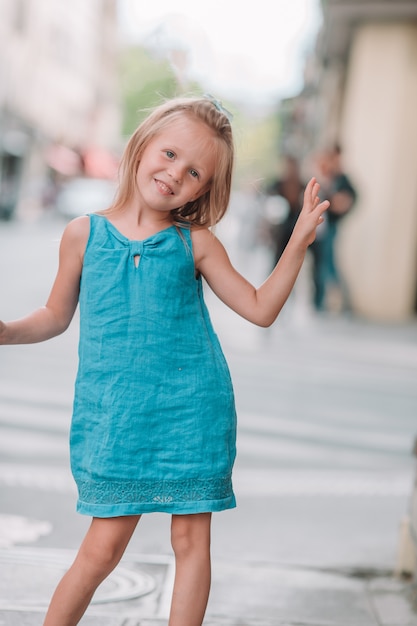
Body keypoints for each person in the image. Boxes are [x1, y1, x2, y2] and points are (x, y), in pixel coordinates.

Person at [0, 95, 329, 626]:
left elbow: (260, 309)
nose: (176, 173)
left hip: (192, 410)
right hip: (116, 418)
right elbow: (55, 316)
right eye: (170, 153)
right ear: (142, 145)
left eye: (195, 171)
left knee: (190, 541)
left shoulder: (195, 242)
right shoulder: (82, 235)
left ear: (205, 188)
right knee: (101, 551)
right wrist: (7, 332)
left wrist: (297, 242)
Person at [310, 145, 357, 311]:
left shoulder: (340, 179)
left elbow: (350, 199)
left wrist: (339, 204)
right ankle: (319, 302)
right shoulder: (322, 178)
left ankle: (343, 303)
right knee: (319, 266)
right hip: (317, 229)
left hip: (328, 228)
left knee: (328, 265)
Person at [264, 155, 305, 266]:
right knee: (278, 262)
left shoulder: (302, 186)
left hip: (295, 229)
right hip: (281, 232)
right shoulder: (277, 185)